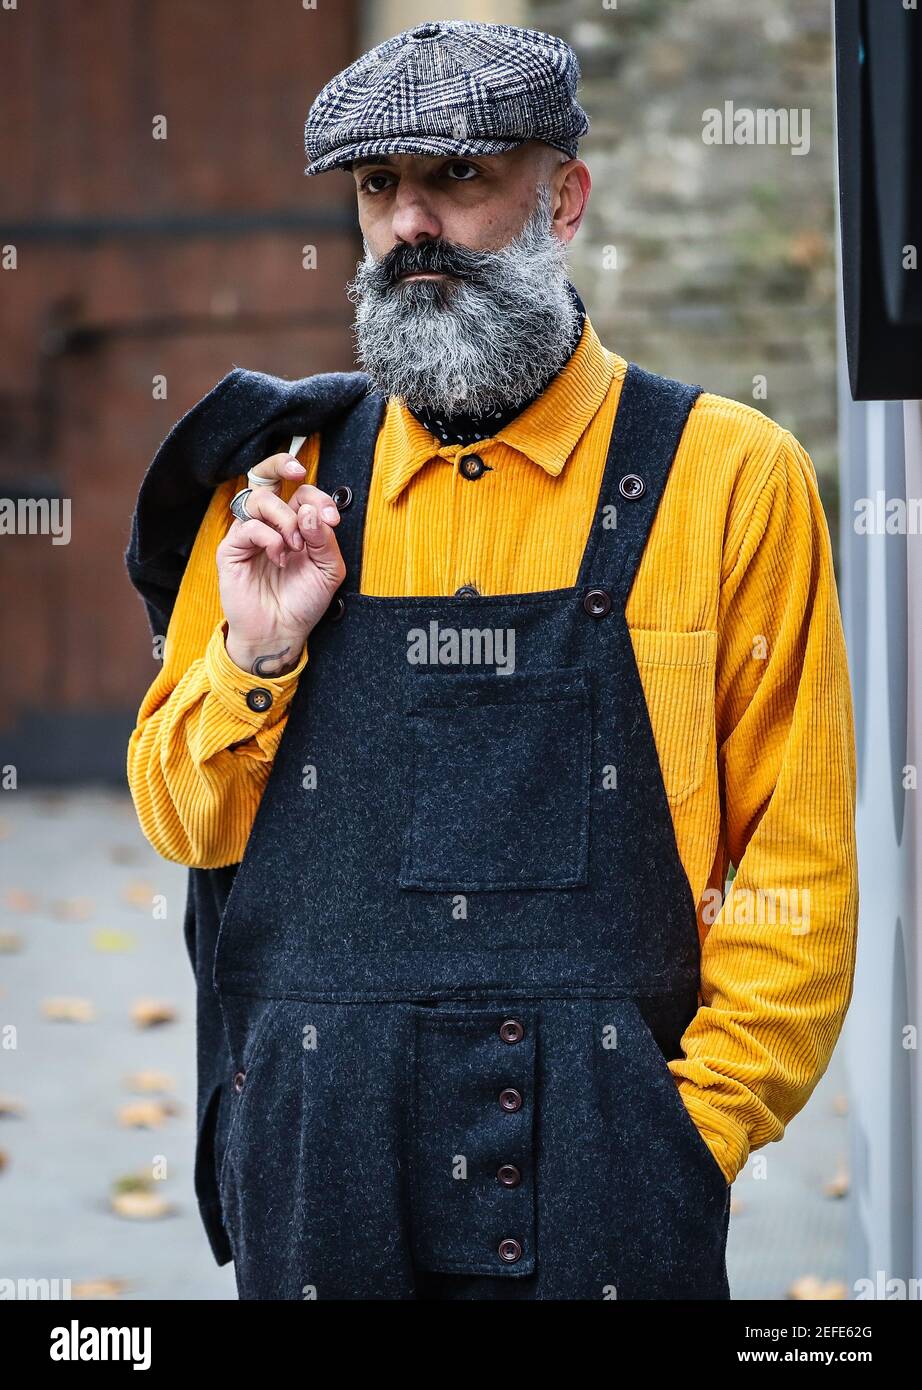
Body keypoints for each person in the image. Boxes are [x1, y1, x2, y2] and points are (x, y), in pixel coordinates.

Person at [125, 19, 859, 1300]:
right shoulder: (278, 493)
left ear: (561, 197)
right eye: (376, 188)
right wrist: (259, 650)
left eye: (457, 179)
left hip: (612, 1176)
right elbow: (183, 821)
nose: (411, 223)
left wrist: (690, 1129)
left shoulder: (729, 477)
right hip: (319, 1171)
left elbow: (796, 866)